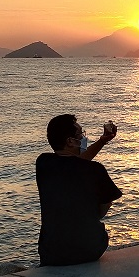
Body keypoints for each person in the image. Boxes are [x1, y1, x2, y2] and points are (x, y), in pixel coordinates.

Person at [36, 114, 123, 266]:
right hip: (90, 251)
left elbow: (74, 164)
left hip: (51, 253)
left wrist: (102, 141)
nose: (83, 137)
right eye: (80, 134)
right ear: (70, 141)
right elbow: (101, 212)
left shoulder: (43, 163)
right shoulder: (96, 170)